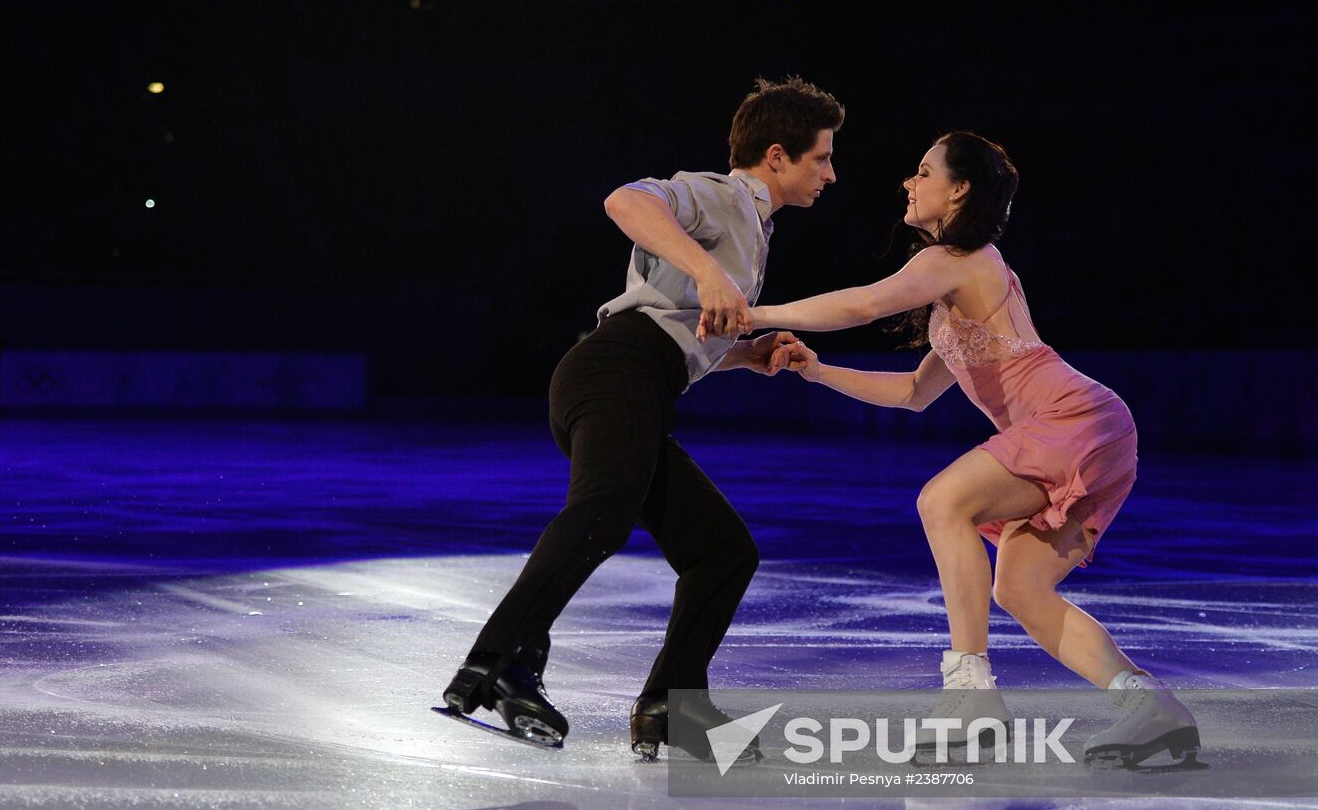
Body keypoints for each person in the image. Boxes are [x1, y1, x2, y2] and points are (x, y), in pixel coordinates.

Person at [710, 132, 1198, 767]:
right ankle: (1150, 705)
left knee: (943, 502)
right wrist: (816, 371)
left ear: (960, 189)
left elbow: (862, 303)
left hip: (1071, 419)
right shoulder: (957, 285)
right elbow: (914, 393)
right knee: (1020, 589)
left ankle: (971, 698)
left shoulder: (959, 257)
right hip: (1093, 429)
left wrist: (749, 314)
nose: (909, 184)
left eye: (923, 172)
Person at [442, 77, 845, 760]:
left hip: (641, 382)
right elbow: (626, 200)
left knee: (722, 551)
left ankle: (673, 704)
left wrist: (747, 355)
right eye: (822, 158)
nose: (831, 175)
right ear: (777, 156)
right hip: (614, 371)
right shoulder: (721, 196)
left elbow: (680, 332)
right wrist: (706, 271)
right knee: (603, 510)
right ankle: (497, 661)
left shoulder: (755, 229)